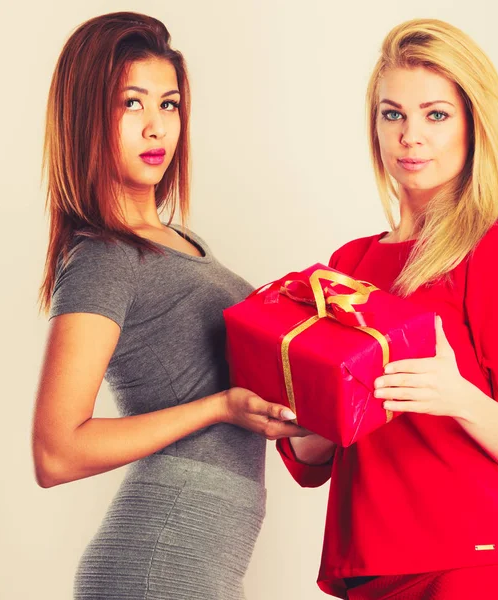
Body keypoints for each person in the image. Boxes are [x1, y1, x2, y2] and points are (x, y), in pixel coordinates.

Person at [277, 18, 498, 600]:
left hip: (473, 571)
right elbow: (315, 456)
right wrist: (297, 408)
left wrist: (456, 394)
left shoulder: (492, 249)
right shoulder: (348, 264)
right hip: (367, 572)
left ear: (471, 124)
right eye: (393, 114)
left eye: (436, 115)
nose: (411, 135)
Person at [32, 12, 305, 600]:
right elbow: (56, 452)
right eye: (132, 104)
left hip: (195, 560)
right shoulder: (105, 258)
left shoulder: (184, 243)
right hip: (158, 561)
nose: (156, 128)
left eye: (170, 104)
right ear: (86, 116)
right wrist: (218, 409)